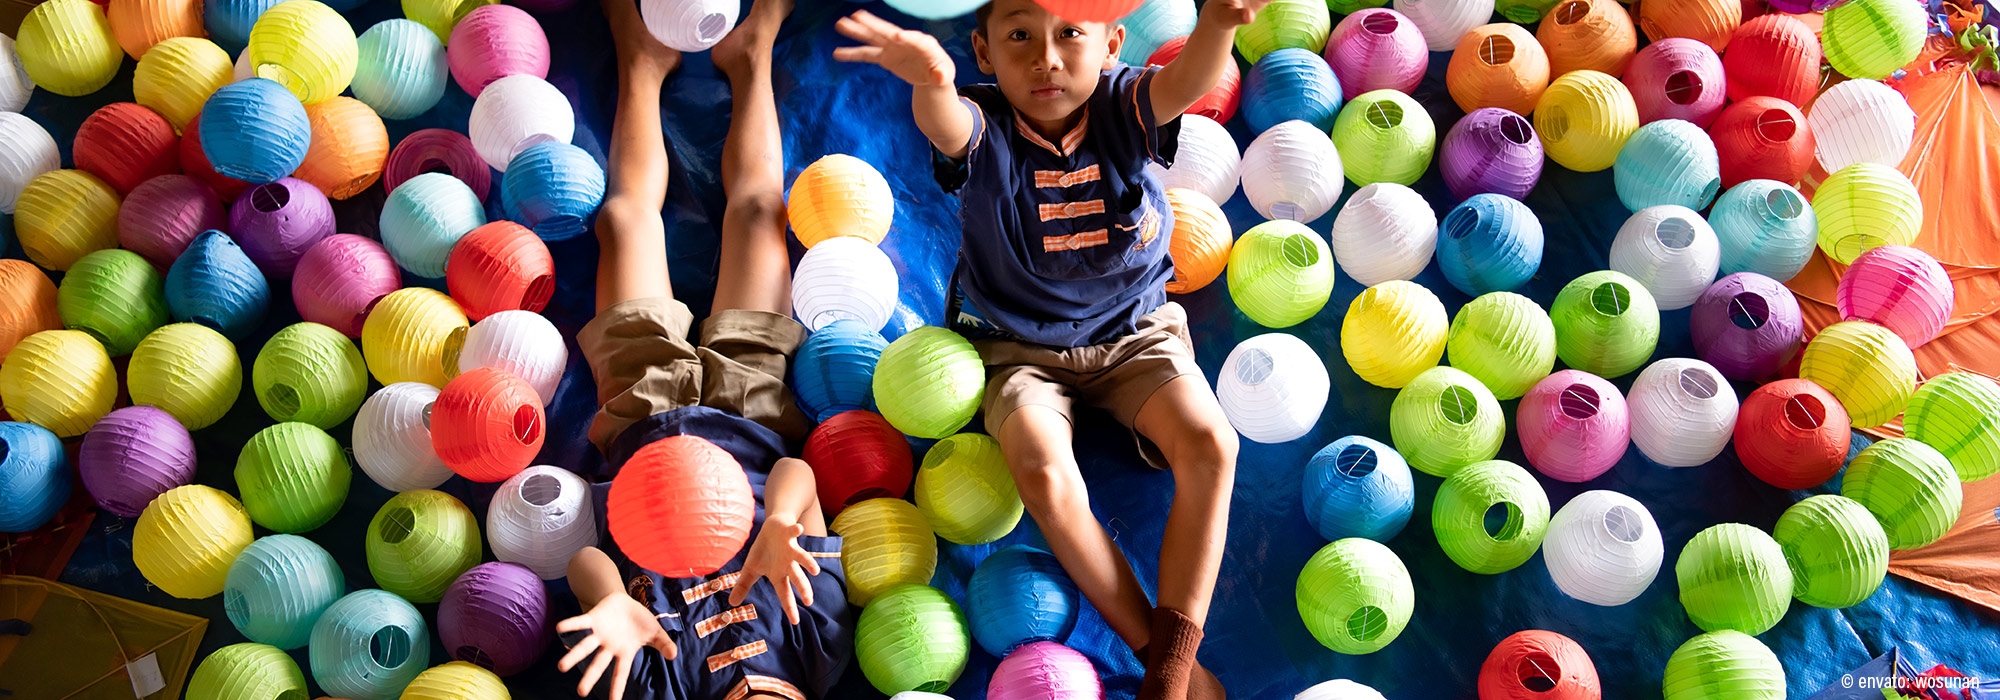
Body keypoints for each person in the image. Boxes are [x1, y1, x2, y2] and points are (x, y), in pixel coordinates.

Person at [833, 1, 1268, 698]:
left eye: (1069, 34)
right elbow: (947, 126)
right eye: (1018, 37)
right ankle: (1165, 665)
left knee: (1213, 445)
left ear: (1112, 43)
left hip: (1133, 334)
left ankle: (1169, 670)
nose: (1046, 57)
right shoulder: (985, 125)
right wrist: (931, 82)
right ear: (983, 51)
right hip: (1017, 349)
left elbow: (1185, 83)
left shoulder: (1127, 103)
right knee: (1040, 470)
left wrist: (1218, 24)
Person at [556, 0, 851, 698]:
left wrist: (613, 603)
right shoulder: (817, 647)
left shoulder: (667, 686)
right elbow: (804, 478)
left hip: (642, 414)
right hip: (752, 408)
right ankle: (752, 56)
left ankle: (639, 60)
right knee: (757, 217)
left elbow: (583, 560)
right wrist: (780, 522)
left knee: (626, 224)